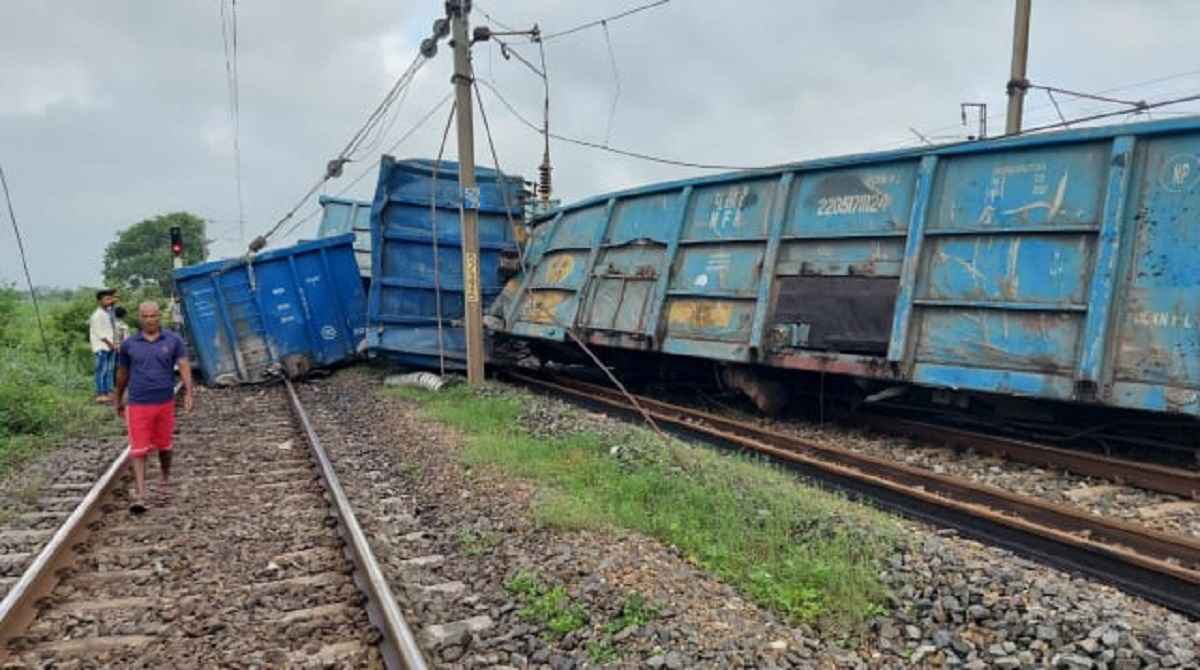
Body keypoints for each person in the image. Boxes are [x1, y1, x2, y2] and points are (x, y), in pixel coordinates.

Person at [114, 301, 194, 513]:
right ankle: (141, 495)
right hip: (138, 403)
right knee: (138, 449)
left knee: (165, 447)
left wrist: (189, 391)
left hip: (164, 402)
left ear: (160, 317)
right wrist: (118, 398)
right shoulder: (129, 344)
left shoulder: (173, 340)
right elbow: (122, 374)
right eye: (146, 316)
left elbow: (184, 365)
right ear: (139, 318)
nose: (150, 319)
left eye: (154, 316)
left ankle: (164, 480)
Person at [89, 289, 118, 403]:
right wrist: (111, 345)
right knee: (101, 370)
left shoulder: (108, 313)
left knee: (109, 370)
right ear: (99, 301)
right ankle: (100, 394)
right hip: (102, 347)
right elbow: (100, 334)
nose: (110, 301)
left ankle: (108, 392)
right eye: (107, 299)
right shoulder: (97, 315)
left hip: (110, 346)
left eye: (110, 299)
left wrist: (113, 344)